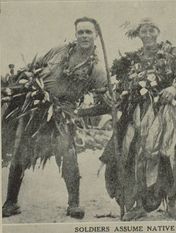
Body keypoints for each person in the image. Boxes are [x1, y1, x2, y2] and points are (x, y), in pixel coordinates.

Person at [1, 17, 106, 219]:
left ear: (96, 35)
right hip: (34, 107)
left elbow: (105, 104)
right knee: (20, 152)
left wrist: (78, 113)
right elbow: (33, 68)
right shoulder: (58, 50)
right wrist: (24, 82)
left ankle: (73, 204)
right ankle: (10, 202)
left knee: (68, 154)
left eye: (88, 32)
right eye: (80, 32)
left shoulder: (96, 70)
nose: (84, 36)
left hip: (62, 115)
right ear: (75, 34)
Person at [97, 18, 176, 221]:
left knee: (169, 157)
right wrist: (116, 94)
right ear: (138, 34)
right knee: (134, 156)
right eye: (144, 31)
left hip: (167, 114)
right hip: (137, 114)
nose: (148, 34)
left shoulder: (172, 56)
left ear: (158, 31)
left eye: (152, 30)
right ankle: (138, 205)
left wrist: (174, 88)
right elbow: (120, 87)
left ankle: (171, 204)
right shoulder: (131, 61)